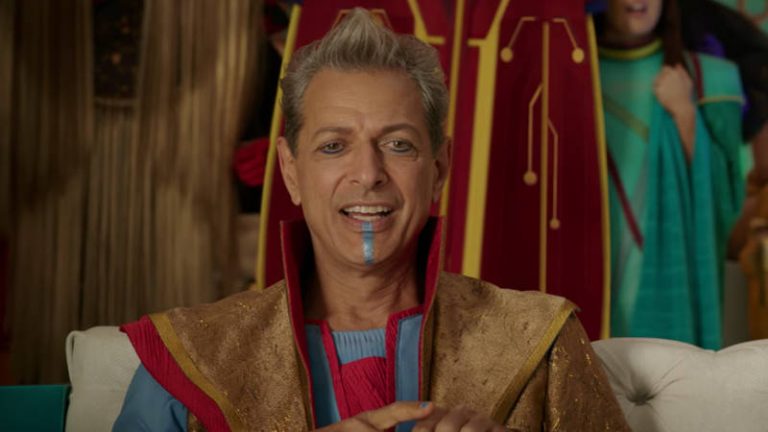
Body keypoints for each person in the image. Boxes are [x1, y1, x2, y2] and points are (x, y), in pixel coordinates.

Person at [114, 9, 629, 431]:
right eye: (333, 146)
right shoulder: (187, 361)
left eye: (398, 144)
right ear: (291, 171)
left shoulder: (542, 342)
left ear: (439, 168)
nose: (368, 173)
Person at [597, 0, 746, 348]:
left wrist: (685, 114)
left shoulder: (711, 78)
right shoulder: (566, 75)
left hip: (667, 289)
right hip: (591, 272)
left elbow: (726, 201)